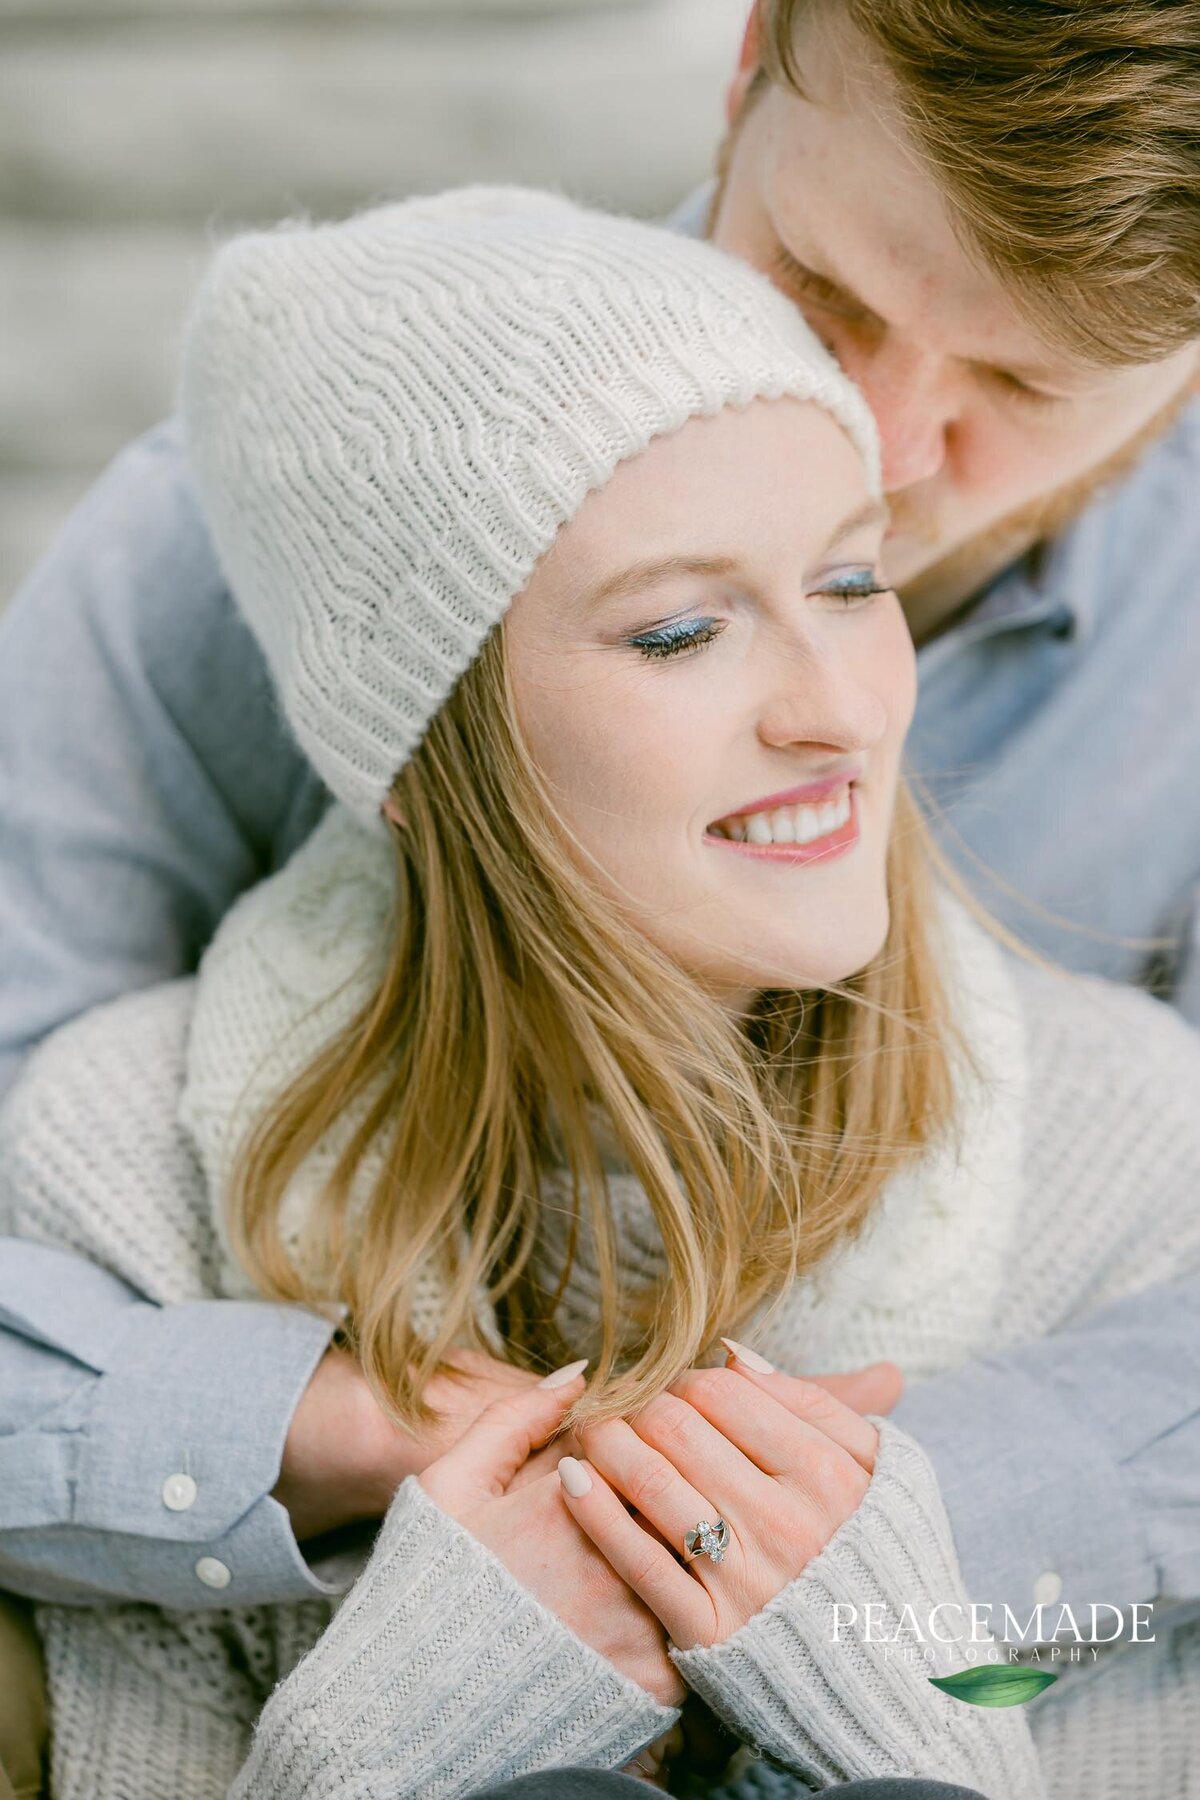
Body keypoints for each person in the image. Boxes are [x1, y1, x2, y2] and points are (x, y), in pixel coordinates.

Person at [2, 0, 1198, 1787]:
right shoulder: (238, 544)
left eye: (1021, 390)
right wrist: (333, 1436)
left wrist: (851, 1541)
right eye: (830, 289)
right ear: (752, 65)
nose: (873, 431)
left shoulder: (1121, 1119)